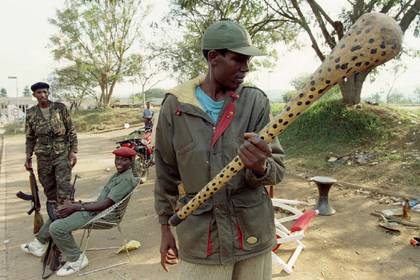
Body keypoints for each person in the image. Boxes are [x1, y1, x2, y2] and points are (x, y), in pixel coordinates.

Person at [154, 20, 285, 280]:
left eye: (247, 60)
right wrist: (165, 228)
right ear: (213, 57)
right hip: (203, 241)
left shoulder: (254, 101)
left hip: (252, 234)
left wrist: (259, 166)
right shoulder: (175, 107)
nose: (245, 68)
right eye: (238, 60)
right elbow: (165, 173)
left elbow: (277, 170)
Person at [20, 147, 139, 276]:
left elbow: (106, 204)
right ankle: (39, 244)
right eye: (117, 159)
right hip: (97, 210)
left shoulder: (126, 179)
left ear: (131, 160)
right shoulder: (120, 174)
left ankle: (77, 259)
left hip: (104, 215)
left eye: (123, 160)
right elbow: (102, 201)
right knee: (59, 212)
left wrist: (77, 207)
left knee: (56, 228)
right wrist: (77, 204)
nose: (119, 162)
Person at [24, 82, 78, 203]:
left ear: (49, 93)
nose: (42, 95)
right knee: (48, 187)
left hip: (61, 152)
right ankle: (55, 212)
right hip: (43, 156)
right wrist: (28, 156)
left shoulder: (60, 108)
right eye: (39, 92)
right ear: (34, 95)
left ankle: (66, 211)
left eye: (45, 92)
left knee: (63, 185)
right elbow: (30, 137)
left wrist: (73, 151)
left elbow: (71, 130)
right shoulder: (31, 113)